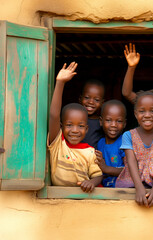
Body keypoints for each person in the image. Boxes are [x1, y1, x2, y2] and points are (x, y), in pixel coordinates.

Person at [48, 62, 103, 192]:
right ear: (61, 127)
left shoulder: (90, 152)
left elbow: (98, 176)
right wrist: (60, 82)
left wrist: (92, 182)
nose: (74, 130)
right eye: (69, 125)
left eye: (81, 126)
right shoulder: (58, 144)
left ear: (87, 129)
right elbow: (54, 115)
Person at [115, 90, 153, 207]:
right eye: (142, 111)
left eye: (152, 111)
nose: (147, 115)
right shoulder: (128, 135)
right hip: (132, 184)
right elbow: (131, 162)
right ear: (135, 114)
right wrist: (139, 188)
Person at [95, 100, 127, 187]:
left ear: (125, 123)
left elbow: (129, 171)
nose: (113, 125)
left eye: (119, 121)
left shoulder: (125, 142)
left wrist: (106, 169)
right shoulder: (100, 143)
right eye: (108, 120)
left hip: (123, 190)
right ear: (101, 121)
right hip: (106, 189)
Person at [79, 79, 105, 149]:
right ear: (80, 98)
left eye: (96, 100)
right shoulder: (74, 118)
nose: (91, 102)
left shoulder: (101, 122)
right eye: (87, 97)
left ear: (102, 103)